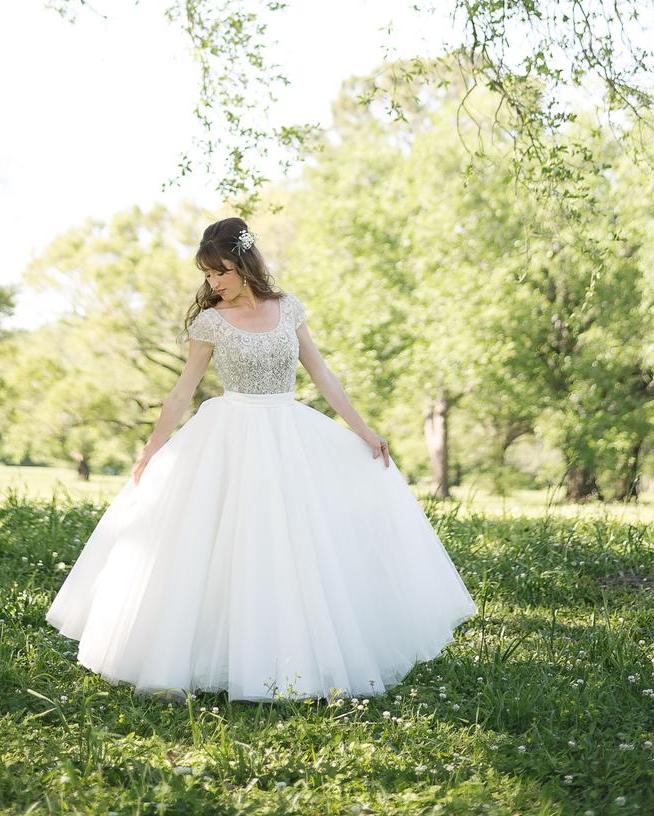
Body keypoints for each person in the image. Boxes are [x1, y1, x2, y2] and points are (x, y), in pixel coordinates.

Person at [45, 216, 477, 701]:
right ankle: (200, 656)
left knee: (294, 545)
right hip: (228, 435)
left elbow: (322, 375)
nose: (214, 283)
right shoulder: (209, 322)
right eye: (208, 275)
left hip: (288, 432)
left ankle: (294, 658)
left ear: (244, 264)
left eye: (221, 271)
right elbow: (181, 392)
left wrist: (364, 430)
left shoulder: (288, 309)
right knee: (218, 545)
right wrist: (152, 448)